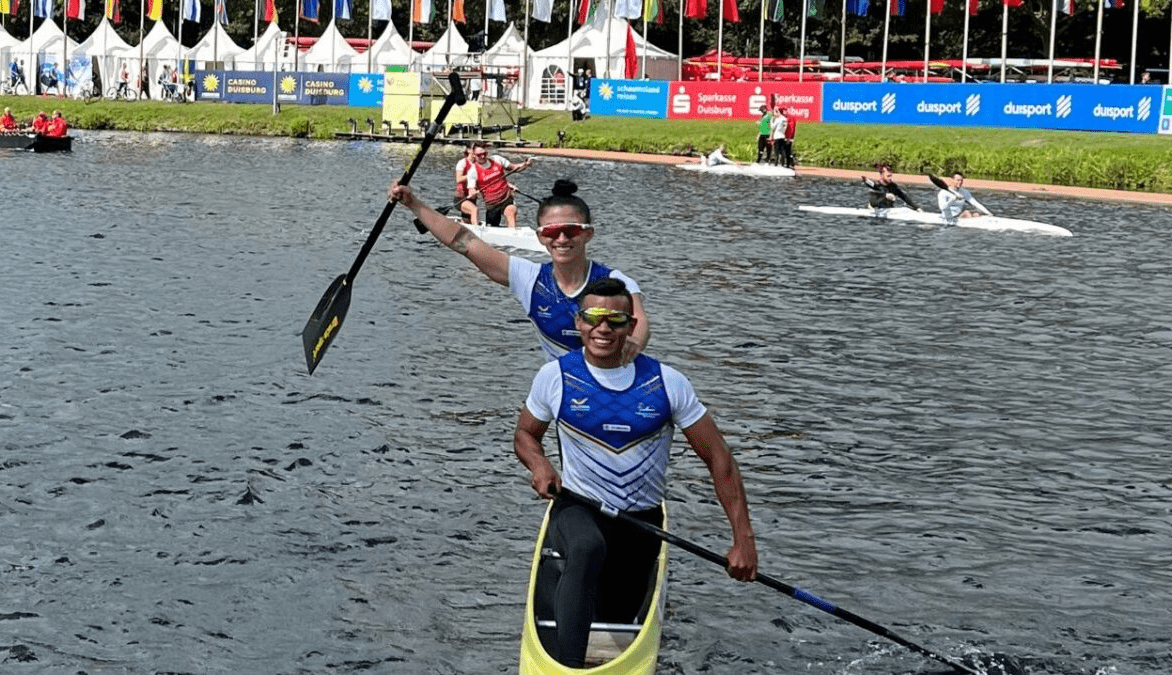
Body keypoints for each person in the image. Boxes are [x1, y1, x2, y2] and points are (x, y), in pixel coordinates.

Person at [513, 276, 757, 667]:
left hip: (641, 524)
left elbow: (720, 459)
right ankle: (568, 667)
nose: (603, 328)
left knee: (617, 602)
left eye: (616, 320)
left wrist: (743, 540)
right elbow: (526, 435)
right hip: (577, 508)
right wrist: (540, 464)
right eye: (593, 317)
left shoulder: (667, 383)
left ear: (632, 326)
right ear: (579, 323)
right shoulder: (554, 377)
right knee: (587, 547)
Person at [388, 179, 651, 364]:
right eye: (550, 231)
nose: (560, 239)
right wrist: (413, 203)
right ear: (539, 238)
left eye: (570, 230)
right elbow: (463, 241)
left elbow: (640, 324)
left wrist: (635, 344)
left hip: (618, 383)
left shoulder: (615, 281)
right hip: (564, 391)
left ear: (587, 234)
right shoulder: (528, 277)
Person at [465, 142, 534, 229]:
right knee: (492, 226)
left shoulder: (497, 159)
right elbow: (471, 189)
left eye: (484, 154)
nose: (482, 156)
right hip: (492, 204)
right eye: (479, 155)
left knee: (510, 211)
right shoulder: (472, 171)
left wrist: (525, 165)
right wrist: (473, 192)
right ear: (474, 155)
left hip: (506, 198)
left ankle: (513, 234)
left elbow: (514, 168)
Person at [454, 145, 477, 223]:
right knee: (474, 210)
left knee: (469, 219)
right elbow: (458, 179)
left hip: (472, 196)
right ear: (469, 150)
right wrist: (471, 175)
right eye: (474, 149)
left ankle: (469, 227)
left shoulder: (478, 164)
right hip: (461, 197)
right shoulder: (462, 162)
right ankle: (476, 230)